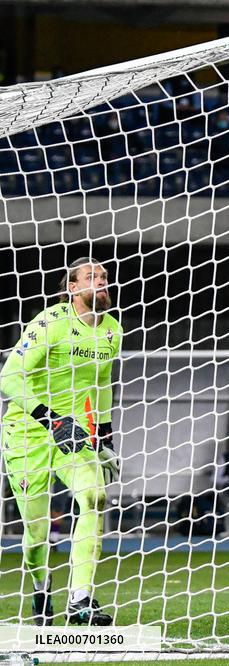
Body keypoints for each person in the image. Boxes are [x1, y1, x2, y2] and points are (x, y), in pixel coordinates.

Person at [0, 258, 122, 625]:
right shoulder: (50, 321)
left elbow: (102, 384)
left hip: (74, 435)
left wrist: (105, 437)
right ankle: (41, 588)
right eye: (91, 277)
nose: (101, 282)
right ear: (72, 288)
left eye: (104, 277)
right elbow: (8, 377)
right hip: (28, 434)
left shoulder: (113, 330)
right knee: (36, 531)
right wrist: (50, 420)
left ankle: (80, 598)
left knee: (94, 497)